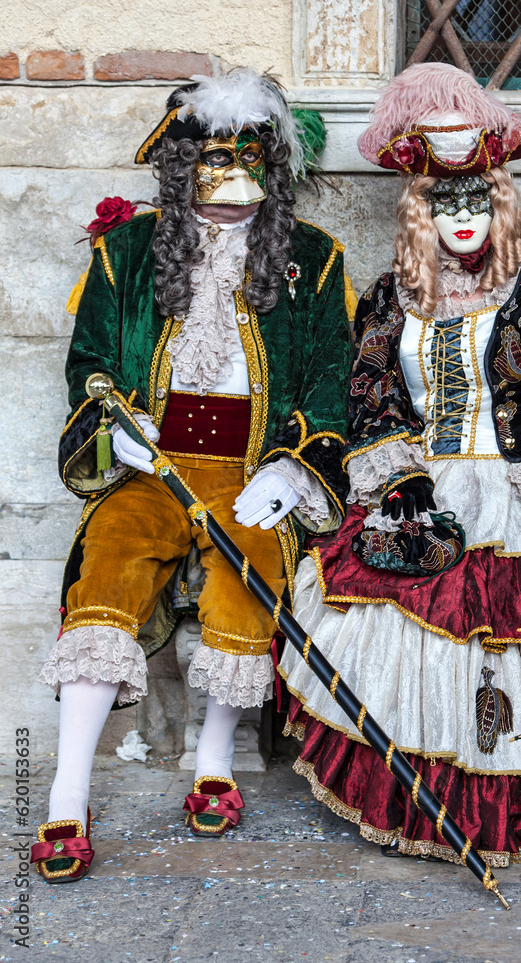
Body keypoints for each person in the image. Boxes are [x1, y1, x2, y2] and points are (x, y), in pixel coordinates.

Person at [279, 61, 521, 866]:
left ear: (500, 200)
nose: (463, 217)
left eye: (478, 198)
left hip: (517, 491)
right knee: (390, 620)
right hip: (424, 485)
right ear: (420, 210)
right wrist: (399, 481)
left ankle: (513, 809)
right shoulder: (389, 295)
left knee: (514, 646)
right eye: (445, 202)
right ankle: (426, 801)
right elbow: (370, 394)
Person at [31, 69, 352, 882]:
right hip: (151, 467)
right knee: (104, 573)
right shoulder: (127, 252)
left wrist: (294, 470)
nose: (230, 188)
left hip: (248, 468)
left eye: (249, 168)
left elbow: (326, 378)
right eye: (213, 168)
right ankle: (67, 796)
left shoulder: (312, 260)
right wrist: (115, 431)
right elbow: (91, 364)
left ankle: (214, 762)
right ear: (181, 172)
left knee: (245, 581)